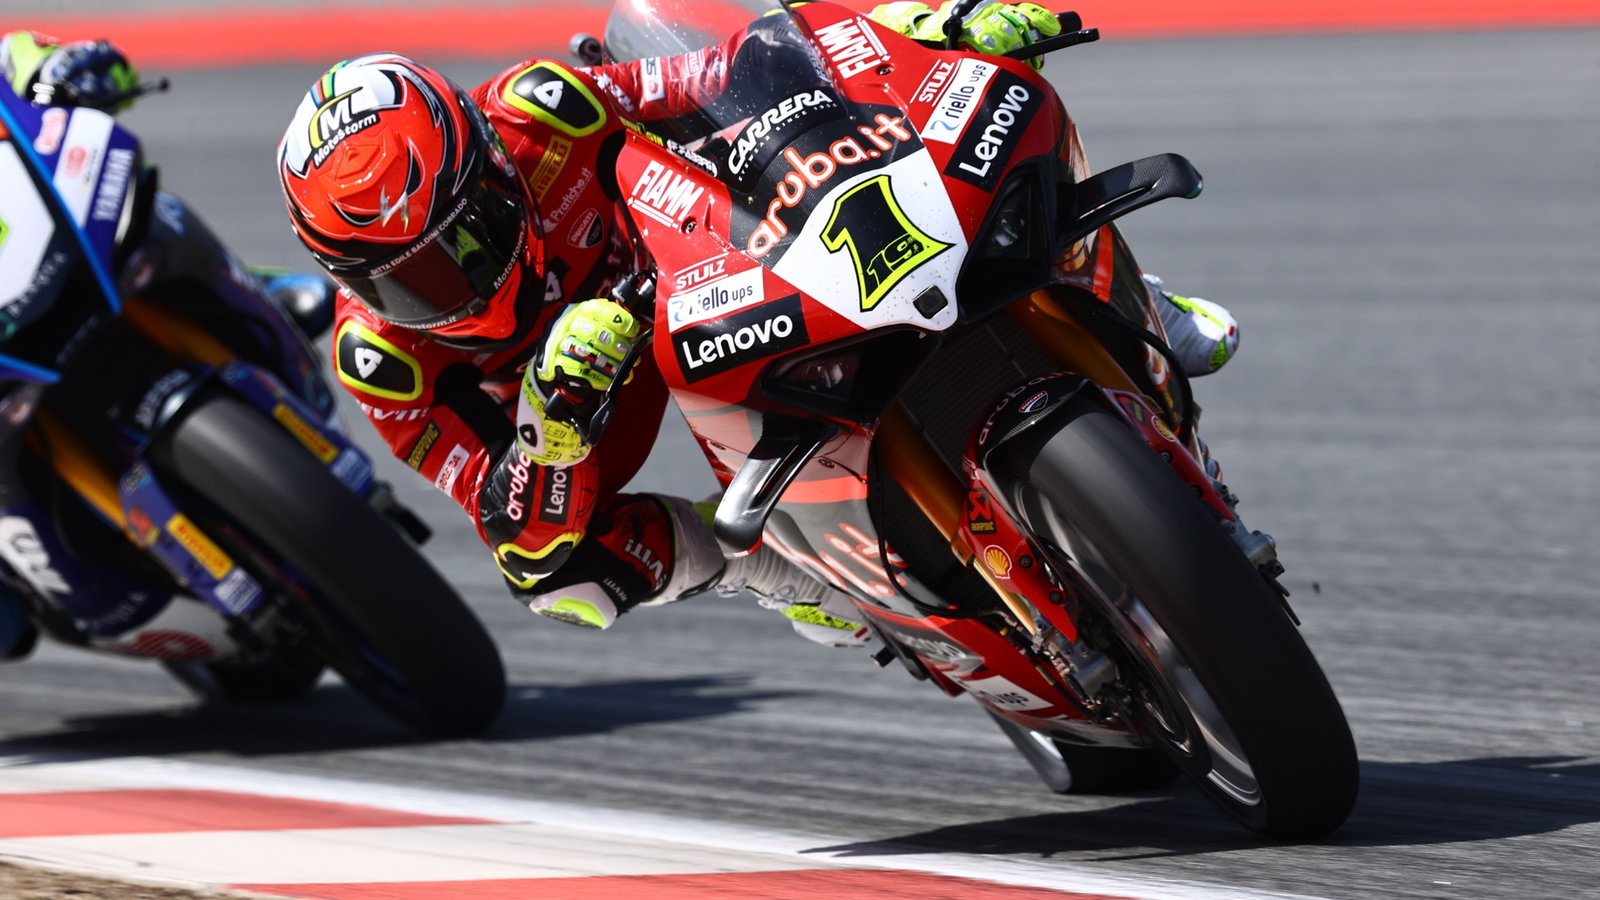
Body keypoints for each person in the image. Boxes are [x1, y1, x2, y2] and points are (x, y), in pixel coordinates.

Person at [276, 1, 1239, 649]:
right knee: (564, 579)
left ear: (486, 161)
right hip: (581, 410)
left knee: (932, 172)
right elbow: (512, 524)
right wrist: (552, 422)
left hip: (685, 264)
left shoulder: (543, 107)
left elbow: (728, 67)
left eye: (466, 236)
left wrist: (926, 22)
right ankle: (782, 569)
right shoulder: (384, 364)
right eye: (414, 278)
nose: (462, 280)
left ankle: (1123, 295)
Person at [0, 31, 338, 661]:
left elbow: (16, 57)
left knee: (151, 219)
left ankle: (250, 292)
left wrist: (52, 73)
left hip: (37, 265)